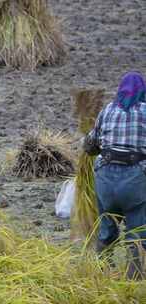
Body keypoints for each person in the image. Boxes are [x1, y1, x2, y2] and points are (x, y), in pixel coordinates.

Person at [83, 71, 146, 280]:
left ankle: (100, 276)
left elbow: (90, 146)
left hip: (105, 180)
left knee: (106, 230)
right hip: (135, 180)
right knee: (137, 234)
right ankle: (133, 281)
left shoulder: (108, 109)